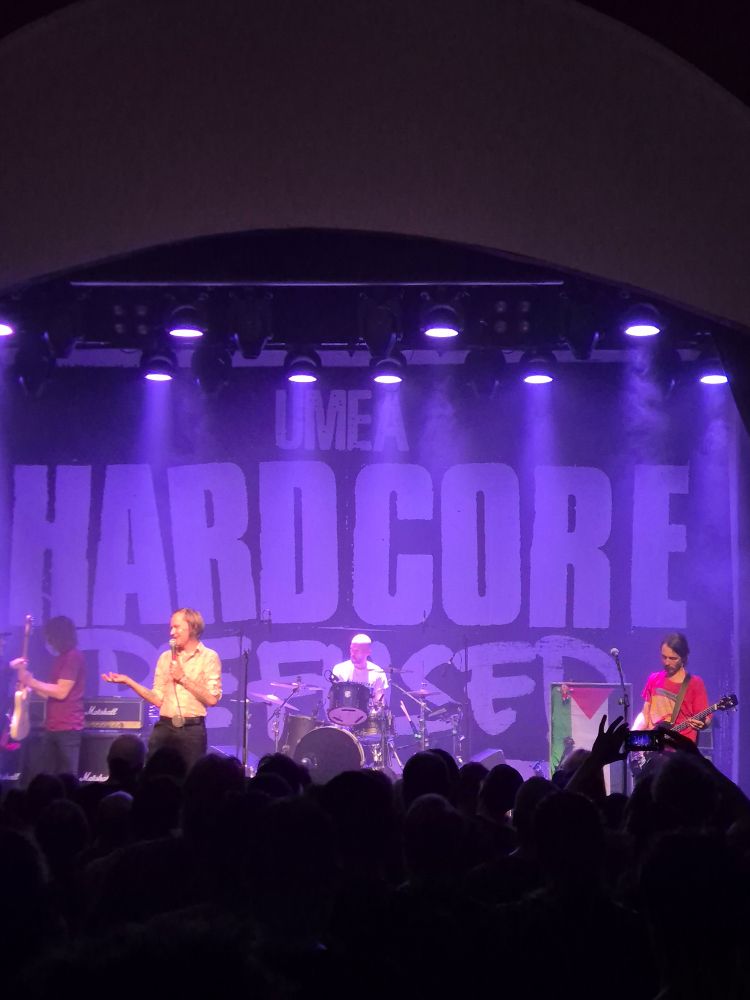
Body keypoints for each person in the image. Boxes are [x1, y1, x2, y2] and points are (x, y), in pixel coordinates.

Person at [102, 608, 221, 772]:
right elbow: (158, 699)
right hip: (164, 728)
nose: (172, 632)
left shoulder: (209, 657)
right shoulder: (165, 658)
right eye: (171, 627)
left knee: (190, 777)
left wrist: (183, 678)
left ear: (192, 627)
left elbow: (212, 699)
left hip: (191, 731)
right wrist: (129, 682)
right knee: (153, 774)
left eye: (177, 627)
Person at [12, 615, 85, 778]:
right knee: (47, 776)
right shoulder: (61, 658)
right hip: (53, 726)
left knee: (67, 777)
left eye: (51, 637)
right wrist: (30, 686)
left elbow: (61, 692)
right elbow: (50, 694)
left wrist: (31, 681)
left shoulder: (73, 657)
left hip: (68, 727)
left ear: (61, 635)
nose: (50, 642)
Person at [632, 632, 709, 743]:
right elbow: (645, 714)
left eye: (673, 658)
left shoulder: (695, 683)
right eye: (664, 657)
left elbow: (706, 718)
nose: (667, 662)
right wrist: (634, 736)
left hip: (681, 745)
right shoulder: (654, 679)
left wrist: (703, 724)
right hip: (654, 744)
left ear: (683, 658)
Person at [331, 633, 389, 706]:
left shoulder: (378, 673)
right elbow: (335, 701)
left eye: (357, 651)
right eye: (351, 649)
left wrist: (376, 710)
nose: (352, 654)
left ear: (368, 652)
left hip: (367, 713)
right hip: (343, 711)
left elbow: (379, 703)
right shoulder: (339, 669)